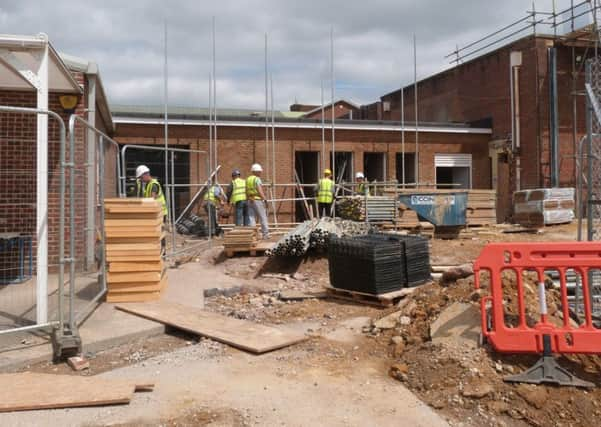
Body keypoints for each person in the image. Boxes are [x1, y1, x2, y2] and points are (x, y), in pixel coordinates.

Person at [246, 163, 270, 239]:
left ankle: (253, 235)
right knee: (263, 217)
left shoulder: (248, 179)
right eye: (259, 171)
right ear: (255, 172)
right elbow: (259, 190)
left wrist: (249, 198)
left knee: (251, 218)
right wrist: (265, 199)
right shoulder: (257, 179)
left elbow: (246, 190)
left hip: (250, 200)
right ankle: (265, 235)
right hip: (257, 200)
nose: (260, 173)